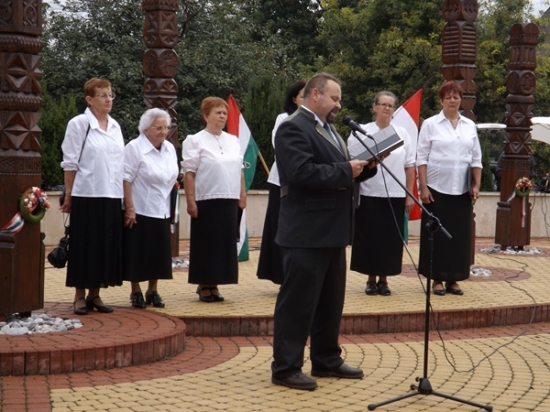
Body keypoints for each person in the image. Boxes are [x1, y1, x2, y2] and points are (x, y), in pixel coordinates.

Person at [271, 73, 377, 391]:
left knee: (330, 302)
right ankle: (285, 367)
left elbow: (336, 173)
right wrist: (347, 169)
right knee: (298, 304)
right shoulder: (292, 127)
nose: (338, 105)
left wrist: (365, 168)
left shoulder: (328, 129)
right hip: (306, 232)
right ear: (315, 95)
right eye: (334, 98)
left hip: (332, 231)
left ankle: (326, 359)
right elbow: (301, 173)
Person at [60, 78, 124, 315]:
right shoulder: (79, 123)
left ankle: (95, 294)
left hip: (112, 194)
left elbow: (120, 164)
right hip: (87, 194)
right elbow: (70, 162)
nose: (108, 99)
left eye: (110, 95)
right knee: (85, 245)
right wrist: (69, 194)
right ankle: (79, 295)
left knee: (105, 245)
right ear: (89, 99)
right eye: (102, 95)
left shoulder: (115, 126)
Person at [417, 81, 482, 296]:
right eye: (448, 97)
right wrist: (423, 187)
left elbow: (476, 159)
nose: (452, 101)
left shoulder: (469, 125)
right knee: (437, 235)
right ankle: (437, 278)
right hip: (437, 189)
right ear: (441, 100)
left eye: (456, 97)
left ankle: (454, 278)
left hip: (461, 190)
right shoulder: (430, 124)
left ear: (460, 100)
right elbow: (421, 158)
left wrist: (476, 185)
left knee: (458, 237)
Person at [348, 91, 416, 296]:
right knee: (370, 238)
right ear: (374, 107)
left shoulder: (402, 133)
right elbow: (353, 160)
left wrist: (409, 194)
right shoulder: (362, 132)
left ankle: (384, 280)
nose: (387, 108)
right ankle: (370, 280)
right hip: (369, 193)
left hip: (395, 194)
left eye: (390, 105)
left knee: (389, 240)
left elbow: (410, 165)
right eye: (383, 104)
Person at [182, 97, 246, 303]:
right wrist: (190, 201)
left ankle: (215, 283)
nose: (222, 116)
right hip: (206, 199)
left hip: (229, 198)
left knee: (223, 245)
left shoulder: (233, 140)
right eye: (218, 112)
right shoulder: (195, 140)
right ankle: (203, 284)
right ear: (205, 116)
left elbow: (239, 170)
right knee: (206, 244)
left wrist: (242, 195)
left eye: (224, 113)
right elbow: (189, 173)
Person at [122, 108, 179, 309]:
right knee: (137, 252)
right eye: (158, 128)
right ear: (146, 129)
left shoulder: (169, 148)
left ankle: (152, 290)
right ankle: (136, 291)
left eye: (166, 127)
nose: (163, 132)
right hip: (140, 209)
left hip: (162, 208)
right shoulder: (134, 147)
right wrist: (129, 208)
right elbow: (125, 178)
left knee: (158, 252)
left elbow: (172, 177)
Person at [256, 80, 306, 285]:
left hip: (305, 183)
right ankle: (280, 274)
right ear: (294, 99)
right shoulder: (284, 119)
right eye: (302, 96)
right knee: (279, 228)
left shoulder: (318, 121)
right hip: (282, 181)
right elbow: (282, 147)